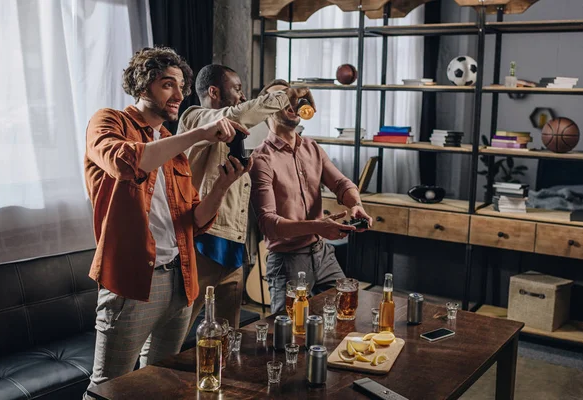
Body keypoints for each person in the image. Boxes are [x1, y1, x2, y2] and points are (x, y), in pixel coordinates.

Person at [83, 47, 248, 397]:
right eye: (167, 85)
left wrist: (222, 185)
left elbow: (193, 221)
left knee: (162, 380)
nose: (178, 95)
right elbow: (125, 162)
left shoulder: (171, 149)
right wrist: (199, 133)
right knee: (106, 388)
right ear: (143, 86)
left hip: (181, 277)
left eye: (182, 86)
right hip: (132, 281)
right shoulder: (109, 121)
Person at [177, 65, 314, 328]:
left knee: (228, 332)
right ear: (214, 92)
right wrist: (286, 94)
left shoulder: (242, 131)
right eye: (237, 89)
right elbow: (236, 114)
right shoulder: (194, 117)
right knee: (178, 330)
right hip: (201, 244)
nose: (242, 96)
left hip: (234, 247)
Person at [249, 79, 373, 314]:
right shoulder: (261, 160)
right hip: (287, 261)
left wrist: (356, 205)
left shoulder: (312, 147)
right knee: (288, 335)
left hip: (322, 253)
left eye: (292, 97)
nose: (291, 101)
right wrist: (317, 226)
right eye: (280, 98)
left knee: (345, 313)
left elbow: (341, 184)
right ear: (266, 110)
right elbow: (268, 224)